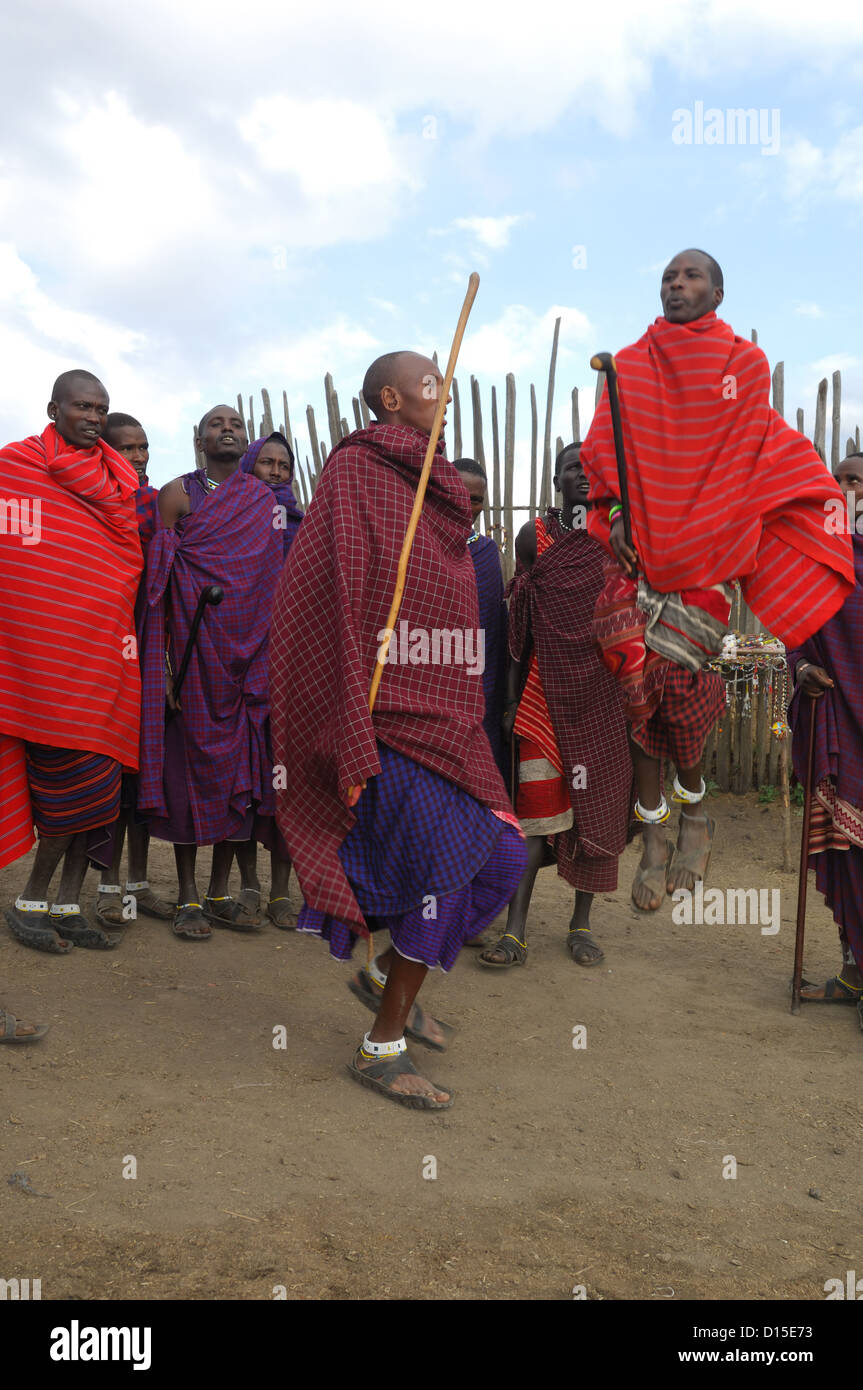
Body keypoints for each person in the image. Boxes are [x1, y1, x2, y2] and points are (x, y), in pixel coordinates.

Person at [269, 350, 527, 1110]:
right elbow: (331, 584)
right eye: (430, 387)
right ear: (389, 398)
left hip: (442, 707)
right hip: (379, 712)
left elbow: (443, 596)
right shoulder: (356, 471)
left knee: (500, 856)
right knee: (448, 871)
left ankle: (385, 975)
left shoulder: (441, 491)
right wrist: (351, 691)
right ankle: (381, 1045)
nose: (443, 398)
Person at [582, 249, 854, 914]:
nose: (676, 285)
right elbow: (609, 449)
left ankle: (694, 816)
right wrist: (615, 513)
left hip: (705, 553)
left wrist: (708, 529)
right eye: (668, 277)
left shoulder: (743, 365)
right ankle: (652, 831)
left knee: (678, 689)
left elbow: (738, 455)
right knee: (632, 685)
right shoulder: (627, 365)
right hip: (636, 555)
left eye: (690, 276)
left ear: (718, 292)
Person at [0, 370, 142, 951]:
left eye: (101, 409)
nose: (92, 416)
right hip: (40, 661)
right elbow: (17, 558)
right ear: (54, 408)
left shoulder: (118, 479)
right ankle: (31, 899)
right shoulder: (15, 466)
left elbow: (121, 559)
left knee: (101, 787)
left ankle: (66, 904)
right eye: (82, 406)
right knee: (66, 784)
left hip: (104, 656)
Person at [479, 443, 633, 968]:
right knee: (533, 818)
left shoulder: (619, 540)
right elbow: (517, 619)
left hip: (604, 696)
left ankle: (581, 923)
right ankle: (515, 931)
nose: (584, 477)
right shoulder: (534, 538)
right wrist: (509, 699)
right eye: (574, 469)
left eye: (593, 470)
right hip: (542, 697)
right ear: (556, 481)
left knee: (595, 811)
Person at [137, 406, 284, 940]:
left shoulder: (262, 501)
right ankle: (186, 896)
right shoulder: (178, 494)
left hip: (244, 664)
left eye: (237, 426)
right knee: (185, 775)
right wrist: (167, 666)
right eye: (218, 423)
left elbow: (269, 582)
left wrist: (261, 658)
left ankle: (221, 892)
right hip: (192, 660)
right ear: (200, 439)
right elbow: (161, 587)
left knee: (234, 778)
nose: (229, 429)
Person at [790, 453, 863, 1021]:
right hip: (837, 722)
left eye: (855, 479)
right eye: (835, 479)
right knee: (845, 856)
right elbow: (796, 626)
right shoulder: (815, 556)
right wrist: (801, 670)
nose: (843, 487)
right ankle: (853, 971)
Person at [95, 413, 174, 929]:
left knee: (146, 774)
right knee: (111, 778)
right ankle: (107, 886)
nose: (140, 457)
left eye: (144, 447)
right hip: (104, 648)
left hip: (150, 645)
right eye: (128, 449)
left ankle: (139, 885)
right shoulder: (100, 504)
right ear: (106, 453)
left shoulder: (156, 504)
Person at [227, 431, 306, 930]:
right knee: (246, 781)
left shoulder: (304, 522)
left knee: (287, 786)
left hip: (293, 669)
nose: (276, 472)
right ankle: (249, 884)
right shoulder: (230, 518)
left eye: (284, 465)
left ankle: (282, 889)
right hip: (239, 662)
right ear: (249, 466)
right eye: (267, 464)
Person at [452, 458, 508, 782]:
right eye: (460, 493)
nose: (467, 505)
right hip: (433, 683)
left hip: (483, 690)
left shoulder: (487, 554)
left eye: (476, 500)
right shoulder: (417, 546)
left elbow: (495, 630)